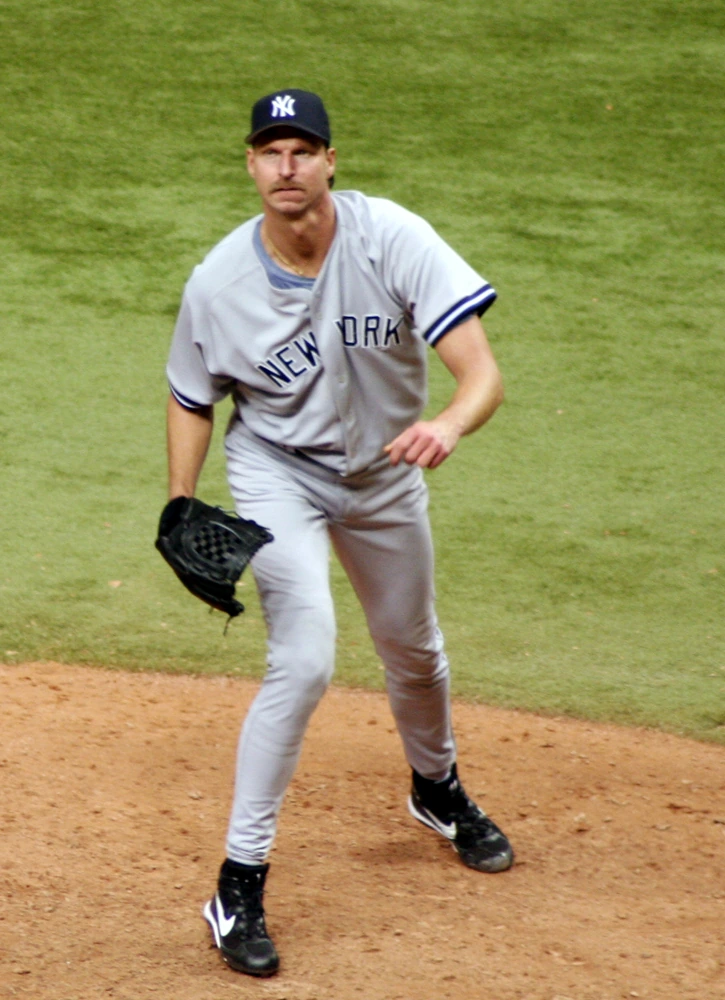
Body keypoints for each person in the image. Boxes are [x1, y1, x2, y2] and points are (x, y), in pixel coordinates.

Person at [163, 88, 513, 978]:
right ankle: (238, 882)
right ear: (251, 165)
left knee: (413, 648)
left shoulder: (390, 237)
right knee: (305, 656)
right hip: (278, 472)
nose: (286, 167)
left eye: (301, 150)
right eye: (269, 151)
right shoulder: (218, 284)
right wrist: (179, 501)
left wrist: (449, 424)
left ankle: (435, 788)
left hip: (387, 471)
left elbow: (480, 373)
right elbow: (191, 396)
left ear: (329, 161)